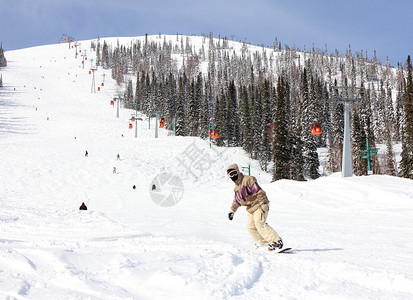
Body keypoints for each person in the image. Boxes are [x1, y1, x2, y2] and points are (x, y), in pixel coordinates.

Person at [227, 163, 284, 251]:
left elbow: (258, 191)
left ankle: (276, 241)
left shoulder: (248, 180)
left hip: (259, 204)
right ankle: (263, 243)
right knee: (251, 227)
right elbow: (236, 201)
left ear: (238, 171)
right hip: (251, 209)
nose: (233, 176)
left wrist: (263, 202)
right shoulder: (236, 188)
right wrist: (232, 211)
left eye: (234, 173)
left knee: (259, 223)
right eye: (230, 174)